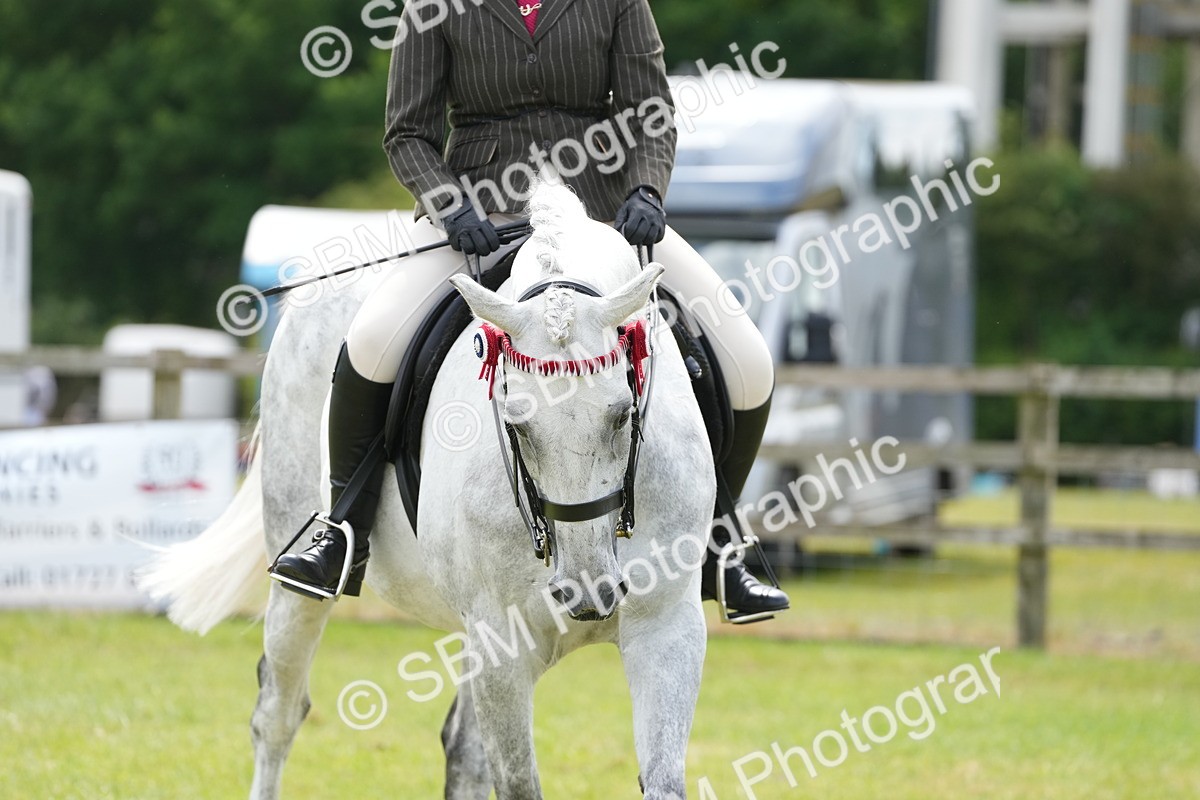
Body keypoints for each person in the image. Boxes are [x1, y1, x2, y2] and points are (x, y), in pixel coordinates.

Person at [271, 0, 789, 616]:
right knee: (373, 340)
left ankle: (722, 547)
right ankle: (343, 531)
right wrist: (451, 206)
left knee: (748, 359)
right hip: (482, 212)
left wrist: (648, 188)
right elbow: (406, 132)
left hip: (602, 214)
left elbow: (651, 113)